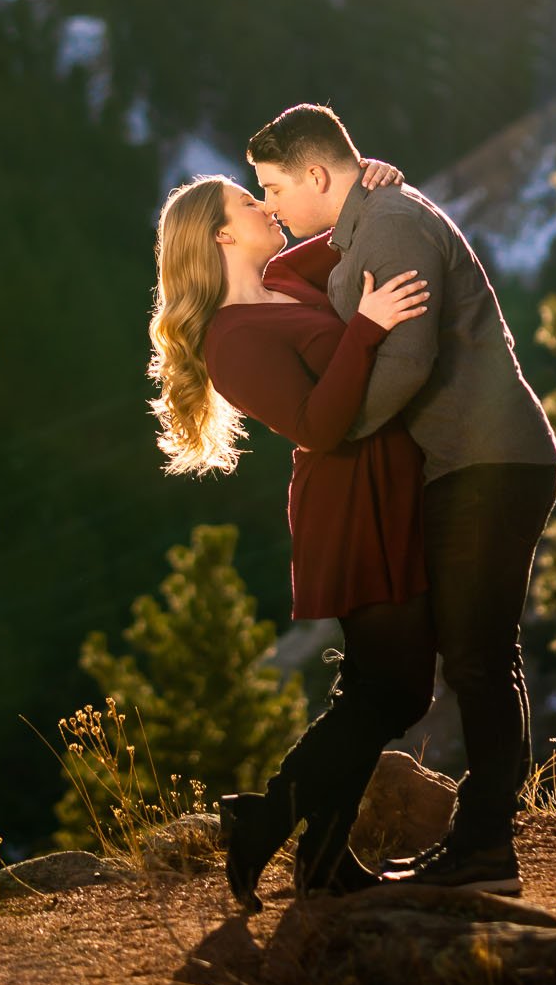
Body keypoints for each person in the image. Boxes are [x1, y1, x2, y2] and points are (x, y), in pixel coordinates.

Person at [248, 102, 556, 897]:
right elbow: (287, 275)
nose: (273, 205)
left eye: (275, 187)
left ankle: (486, 850)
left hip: (488, 463)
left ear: (316, 173)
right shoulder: (369, 221)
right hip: (469, 465)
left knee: (482, 664)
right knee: (479, 662)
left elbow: (410, 356)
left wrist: (338, 431)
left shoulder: (386, 224)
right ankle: (481, 847)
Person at [148, 164, 437, 908]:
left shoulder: (282, 275)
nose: (266, 205)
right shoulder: (230, 340)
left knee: (383, 686)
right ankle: (271, 821)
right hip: (348, 500)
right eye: (251, 202)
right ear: (219, 234)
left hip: (385, 484)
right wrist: (368, 328)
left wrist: (370, 176)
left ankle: (316, 855)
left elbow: (343, 223)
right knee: (393, 687)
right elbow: (317, 425)